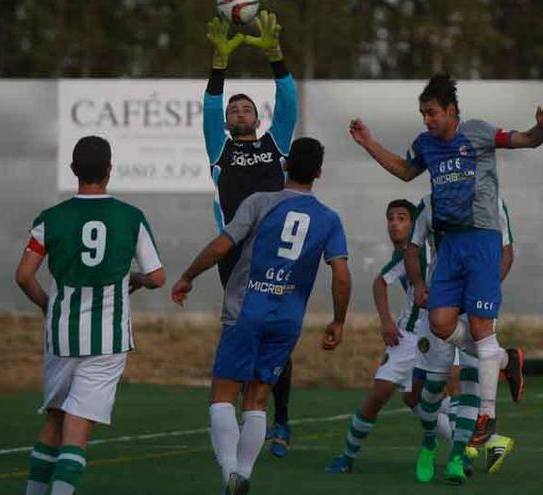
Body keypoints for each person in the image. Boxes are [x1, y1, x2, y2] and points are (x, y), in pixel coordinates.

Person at [349, 73, 543, 483]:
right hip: (450, 247)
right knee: (442, 324)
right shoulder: (425, 145)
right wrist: (368, 143)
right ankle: (502, 358)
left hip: (481, 240)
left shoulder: (478, 132)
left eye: (431, 112)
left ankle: (486, 416)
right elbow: (406, 172)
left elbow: (526, 140)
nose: (426, 120)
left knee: (480, 327)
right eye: (422, 113)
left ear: (451, 111)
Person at [172, 138, 350, 495]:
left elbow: (223, 244)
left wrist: (189, 275)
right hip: (288, 317)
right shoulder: (329, 219)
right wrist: (338, 320)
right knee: (258, 398)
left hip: (246, 309)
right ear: (318, 172)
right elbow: (342, 275)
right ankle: (245, 471)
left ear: (285, 167)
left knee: (223, 396)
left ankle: (230, 476)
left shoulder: (260, 202)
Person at [15, 136, 165, 495]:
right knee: (78, 426)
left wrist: (47, 305)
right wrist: (138, 279)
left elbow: (24, 275)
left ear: (73, 171)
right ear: (109, 171)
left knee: (54, 419)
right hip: (108, 338)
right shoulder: (131, 217)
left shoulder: (50, 219)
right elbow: (158, 278)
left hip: (61, 334)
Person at [203, 10, 299, 457]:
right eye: (233, 109)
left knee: (276, 334)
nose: (240, 112)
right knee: (243, 331)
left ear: (258, 120)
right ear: (226, 122)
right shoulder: (218, 147)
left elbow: (289, 99)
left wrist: (276, 58)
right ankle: (245, 412)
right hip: (235, 254)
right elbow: (209, 103)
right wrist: (218, 65)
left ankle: (279, 420)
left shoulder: (275, 145)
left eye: (247, 108)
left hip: (277, 253)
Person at [407, 193, 521, 478]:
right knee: (432, 387)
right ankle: (429, 444)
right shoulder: (430, 200)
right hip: (441, 302)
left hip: (475, 304)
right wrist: (419, 283)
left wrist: (487, 288)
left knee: (470, 381)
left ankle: (458, 458)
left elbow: (506, 251)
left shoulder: (493, 201)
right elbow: (412, 247)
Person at [324, 199, 426, 474]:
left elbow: (380, 283)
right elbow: (379, 283)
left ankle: (469, 448)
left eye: (402, 218)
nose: (395, 224)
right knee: (389, 395)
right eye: (391, 218)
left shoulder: (426, 248)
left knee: (440, 394)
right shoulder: (402, 257)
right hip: (409, 336)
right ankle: (346, 457)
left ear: (415, 223)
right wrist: (386, 322)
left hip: (438, 335)